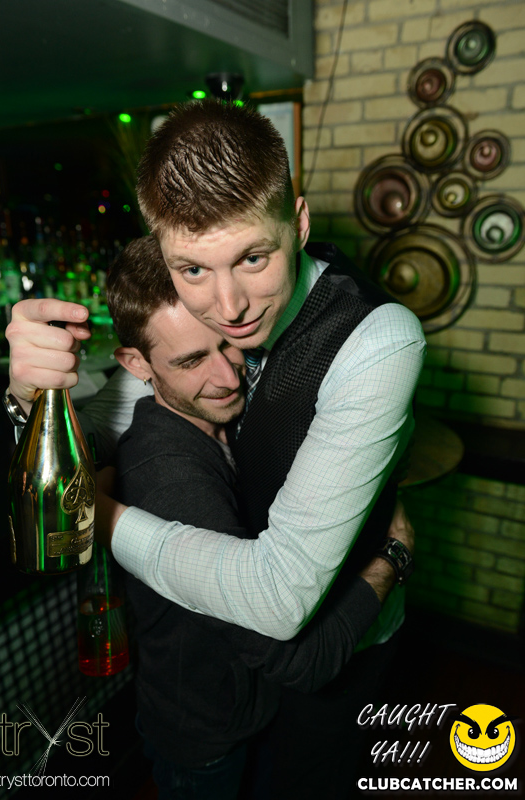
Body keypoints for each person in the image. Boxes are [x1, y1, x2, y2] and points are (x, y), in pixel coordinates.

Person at [5, 100, 425, 796]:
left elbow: (279, 600)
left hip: (346, 637)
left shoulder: (375, 342)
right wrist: (30, 399)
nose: (229, 308)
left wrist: (97, 518)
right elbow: (113, 418)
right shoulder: (194, 338)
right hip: (247, 677)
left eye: (253, 257)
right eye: (193, 269)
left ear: (299, 224)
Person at [106, 235, 412, 799]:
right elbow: (304, 662)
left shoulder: (225, 422)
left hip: (254, 713)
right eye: (192, 361)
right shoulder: (167, 475)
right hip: (205, 741)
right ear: (136, 364)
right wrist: (392, 558)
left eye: (229, 346)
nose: (229, 378)